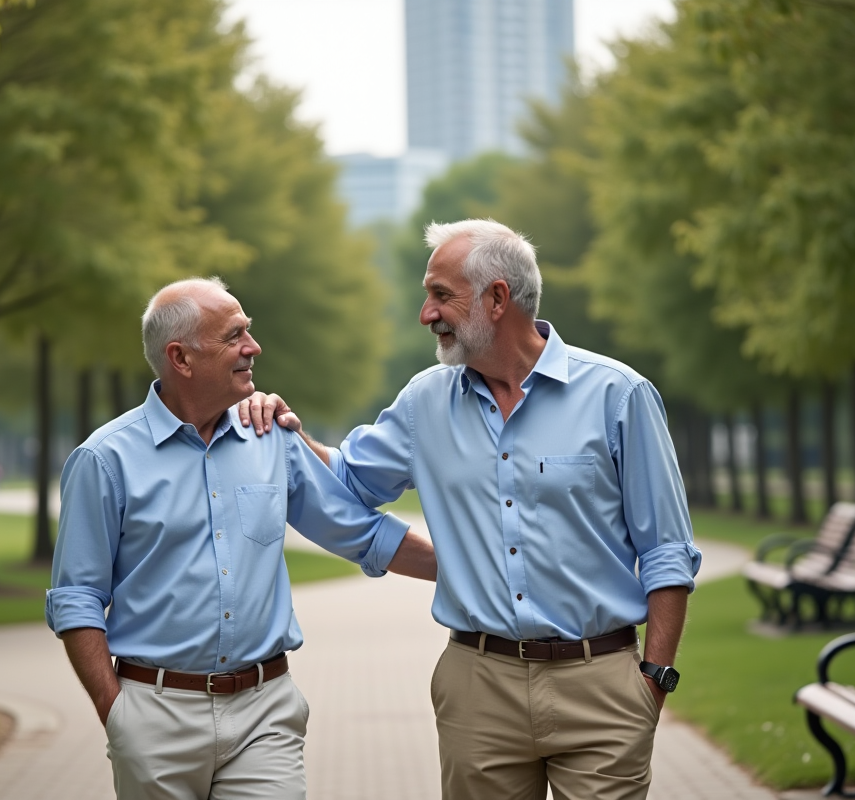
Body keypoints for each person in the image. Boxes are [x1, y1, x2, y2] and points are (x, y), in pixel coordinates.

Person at [241, 219, 701, 800]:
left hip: (602, 683)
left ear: (498, 298)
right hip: (478, 687)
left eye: (440, 295)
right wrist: (285, 428)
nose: (426, 313)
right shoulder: (424, 401)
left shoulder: (619, 395)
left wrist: (653, 681)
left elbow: (667, 552)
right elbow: (349, 479)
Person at [46, 277, 437, 800]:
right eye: (234, 337)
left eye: (248, 332)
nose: (253, 349)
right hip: (154, 716)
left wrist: (474, 568)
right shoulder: (104, 460)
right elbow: (77, 599)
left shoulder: (271, 437)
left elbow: (360, 534)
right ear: (181, 358)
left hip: (264, 713)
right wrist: (116, 712)